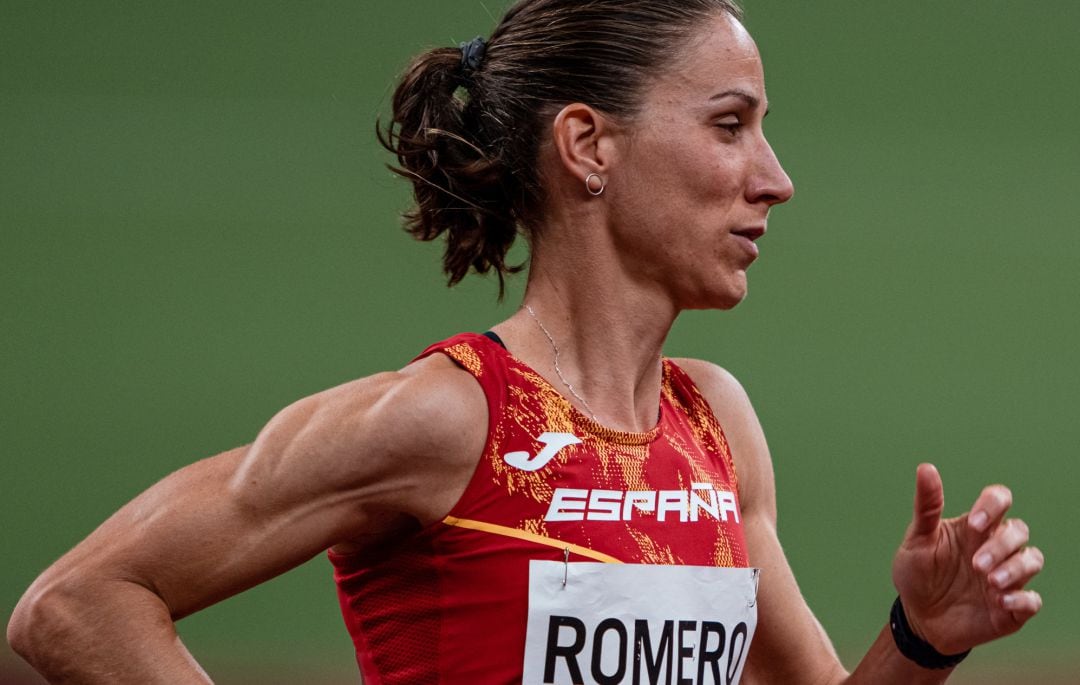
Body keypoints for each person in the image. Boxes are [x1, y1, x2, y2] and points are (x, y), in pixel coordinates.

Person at [7, 1, 1044, 683]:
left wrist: (924, 638)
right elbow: (79, 603)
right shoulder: (448, 416)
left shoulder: (715, 424)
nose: (774, 177)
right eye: (730, 125)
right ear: (589, 145)